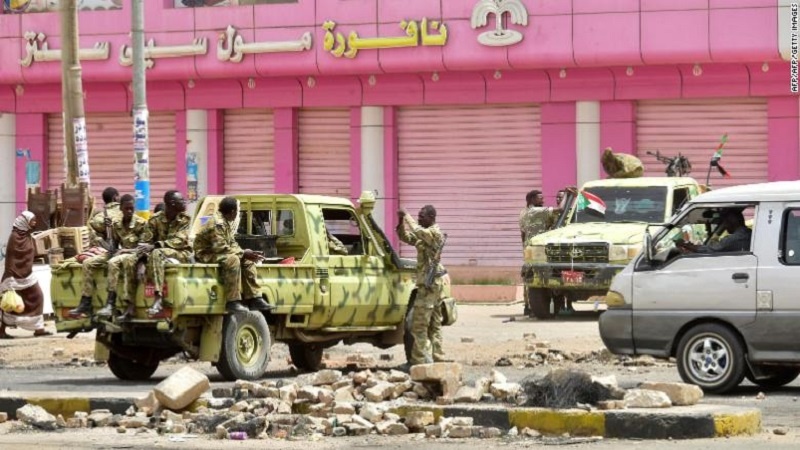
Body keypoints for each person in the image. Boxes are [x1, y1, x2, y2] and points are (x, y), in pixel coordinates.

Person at [70, 194, 149, 320]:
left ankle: (110, 303)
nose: (129, 211)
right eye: (126, 208)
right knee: (88, 263)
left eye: (131, 208)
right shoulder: (116, 223)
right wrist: (108, 233)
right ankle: (86, 301)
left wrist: (123, 251)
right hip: (118, 252)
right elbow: (112, 245)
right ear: (121, 209)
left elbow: (142, 248)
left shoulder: (141, 224)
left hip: (133, 254)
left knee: (113, 262)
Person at [193, 196, 270, 313]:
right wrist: (243, 253)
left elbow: (232, 244)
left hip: (217, 252)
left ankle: (255, 298)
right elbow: (220, 248)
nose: (238, 214)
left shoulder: (225, 222)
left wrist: (246, 253)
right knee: (233, 259)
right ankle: (232, 301)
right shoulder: (217, 223)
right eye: (238, 211)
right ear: (233, 211)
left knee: (247, 260)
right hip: (206, 253)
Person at [396, 205, 447, 366]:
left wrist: (407, 215)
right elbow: (405, 237)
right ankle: (438, 357)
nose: (419, 219)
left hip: (429, 286)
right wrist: (400, 221)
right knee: (434, 324)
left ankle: (417, 360)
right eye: (418, 216)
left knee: (420, 324)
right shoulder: (424, 234)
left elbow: (419, 232)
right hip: (431, 285)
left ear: (431, 217)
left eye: (422, 216)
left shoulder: (434, 233)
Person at [137, 190, 194, 318]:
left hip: (181, 253)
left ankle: (158, 299)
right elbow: (144, 243)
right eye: (182, 200)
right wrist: (141, 261)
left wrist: (155, 245)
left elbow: (179, 241)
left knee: (157, 252)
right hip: (161, 253)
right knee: (133, 257)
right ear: (172, 204)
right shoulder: (155, 220)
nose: (185, 202)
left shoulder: (184, 219)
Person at [0, 212, 52, 338]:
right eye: (32, 221)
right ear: (25, 221)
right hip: (14, 276)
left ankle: (38, 328)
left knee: (37, 297)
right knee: (10, 303)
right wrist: (11, 278)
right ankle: (2, 330)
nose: (34, 223)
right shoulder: (14, 237)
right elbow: (13, 258)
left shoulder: (27, 235)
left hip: (27, 275)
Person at [677, 209, 752, 253]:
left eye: (726, 223)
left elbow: (708, 250)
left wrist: (685, 245)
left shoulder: (733, 239)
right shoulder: (750, 234)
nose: (725, 226)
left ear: (733, 222)